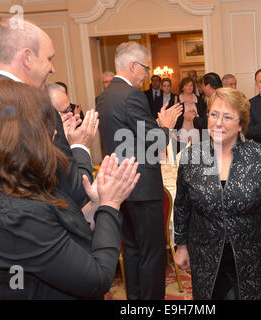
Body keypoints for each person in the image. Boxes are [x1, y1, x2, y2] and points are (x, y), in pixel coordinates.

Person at [0, 79, 140, 299]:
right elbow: (98, 278)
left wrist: (97, 204)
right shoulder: (14, 214)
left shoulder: (7, 182)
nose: (53, 135)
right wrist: (111, 205)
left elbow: (52, 231)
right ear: (18, 136)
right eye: (45, 128)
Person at [0, 18, 95, 207]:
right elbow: (75, 191)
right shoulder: (36, 107)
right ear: (27, 58)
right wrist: (79, 146)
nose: (53, 68)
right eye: (49, 58)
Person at [174, 87, 261, 300]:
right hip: (206, 256)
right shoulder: (191, 157)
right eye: (214, 115)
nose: (218, 122)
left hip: (252, 258)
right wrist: (181, 246)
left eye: (227, 117)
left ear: (241, 124)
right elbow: (182, 205)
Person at [96, 41, 182, 300]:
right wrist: (165, 126)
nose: (147, 73)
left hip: (121, 185)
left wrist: (154, 125)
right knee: (153, 253)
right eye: (145, 68)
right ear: (133, 65)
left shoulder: (106, 95)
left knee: (132, 250)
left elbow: (131, 136)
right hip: (142, 186)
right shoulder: (131, 95)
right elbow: (153, 141)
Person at [172, 77, 207, 154]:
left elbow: (203, 116)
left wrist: (195, 115)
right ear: (182, 87)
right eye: (187, 85)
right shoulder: (176, 100)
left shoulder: (199, 100)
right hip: (181, 132)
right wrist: (174, 133)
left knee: (196, 157)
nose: (189, 87)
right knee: (181, 157)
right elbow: (173, 118)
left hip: (196, 132)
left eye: (191, 85)